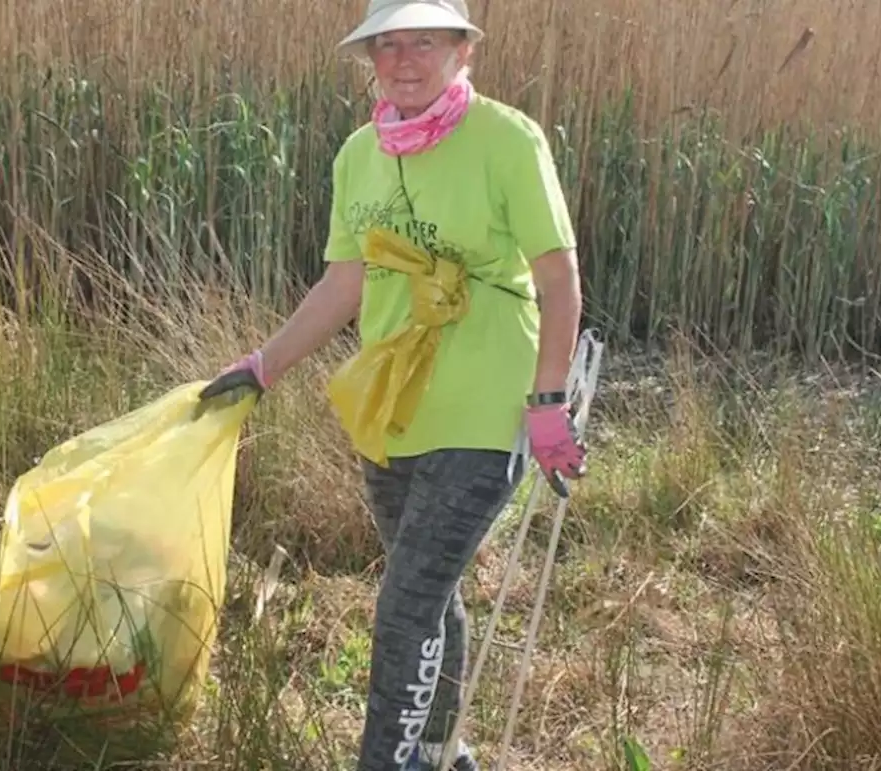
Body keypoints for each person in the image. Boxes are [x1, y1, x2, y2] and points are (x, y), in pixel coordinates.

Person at [196, 1, 587, 768]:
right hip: (393, 406)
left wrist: (548, 402)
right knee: (432, 593)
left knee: (404, 609)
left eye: (426, 43)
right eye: (388, 45)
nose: (405, 59)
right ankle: (446, 753)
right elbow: (343, 285)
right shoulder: (358, 156)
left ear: (462, 53)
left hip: (486, 405)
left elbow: (559, 278)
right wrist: (262, 365)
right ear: (370, 58)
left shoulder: (508, 141)